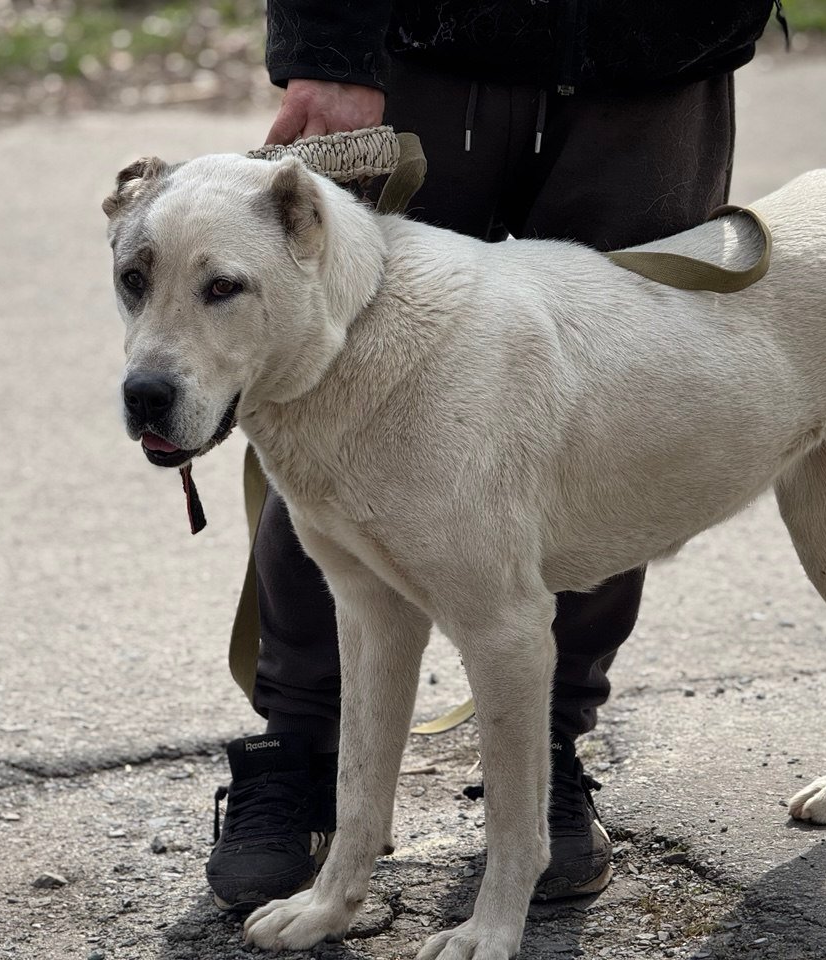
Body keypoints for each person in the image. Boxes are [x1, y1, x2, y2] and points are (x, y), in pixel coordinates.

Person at [206, 0, 781, 912]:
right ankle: (302, 750)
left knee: (617, 417)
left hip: (658, 58)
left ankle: (548, 743)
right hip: (430, 43)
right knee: (329, 388)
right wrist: (327, 46)